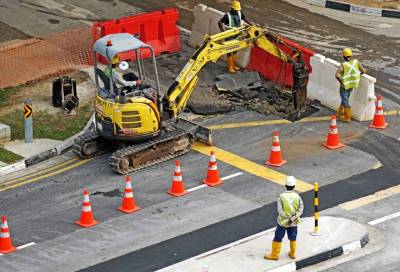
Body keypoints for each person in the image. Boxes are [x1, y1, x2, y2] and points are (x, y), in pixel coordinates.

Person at [265, 176, 304, 261]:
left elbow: (280, 211)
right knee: (293, 237)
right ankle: (292, 253)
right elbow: (301, 208)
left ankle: (275, 254)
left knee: (278, 237)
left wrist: (288, 217)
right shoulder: (297, 197)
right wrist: (294, 217)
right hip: (294, 222)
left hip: (283, 222)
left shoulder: (281, 196)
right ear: (294, 186)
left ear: (285, 185)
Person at [218, 1, 252, 73]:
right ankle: (230, 66)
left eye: (238, 10)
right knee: (230, 51)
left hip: (237, 34)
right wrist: (223, 32)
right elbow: (219, 22)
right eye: (236, 10)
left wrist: (250, 24)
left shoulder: (239, 12)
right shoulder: (227, 15)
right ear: (232, 8)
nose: (237, 11)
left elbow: (244, 18)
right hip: (230, 35)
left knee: (235, 50)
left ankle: (233, 65)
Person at [335, 48, 366, 122]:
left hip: (345, 85)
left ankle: (347, 117)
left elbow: (337, 75)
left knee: (345, 99)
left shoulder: (343, 65)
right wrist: (358, 76)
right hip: (353, 84)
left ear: (343, 56)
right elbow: (363, 71)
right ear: (350, 56)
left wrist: (342, 82)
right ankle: (339, 113)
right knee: (345, 98)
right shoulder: (356, 62)